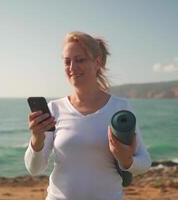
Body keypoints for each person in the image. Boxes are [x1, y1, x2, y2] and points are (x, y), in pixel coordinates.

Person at [24, 31, 151, 200]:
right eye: (67, 61)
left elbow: (144, 162)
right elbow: (35, 169)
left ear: (98, 62)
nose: (72, 67)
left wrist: (126, 159)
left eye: (80, 60)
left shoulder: (120, 108)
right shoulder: (54, 108)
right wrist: (36, 139)